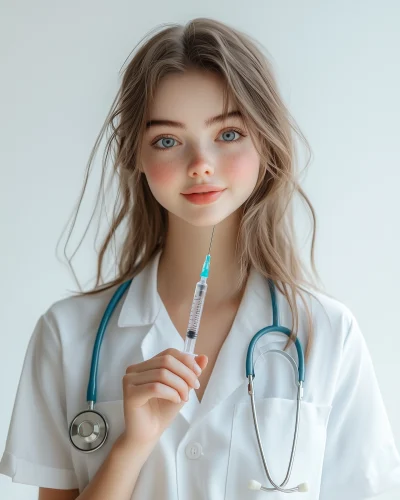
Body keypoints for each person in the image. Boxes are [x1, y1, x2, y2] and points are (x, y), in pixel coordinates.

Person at [1, 17, 400, 500]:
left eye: (228, 133)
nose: (200, 164)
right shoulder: (68, 336)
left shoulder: (326, 334)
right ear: (136, 156)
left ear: (266, 142)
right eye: (167, 140)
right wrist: (132, 446)